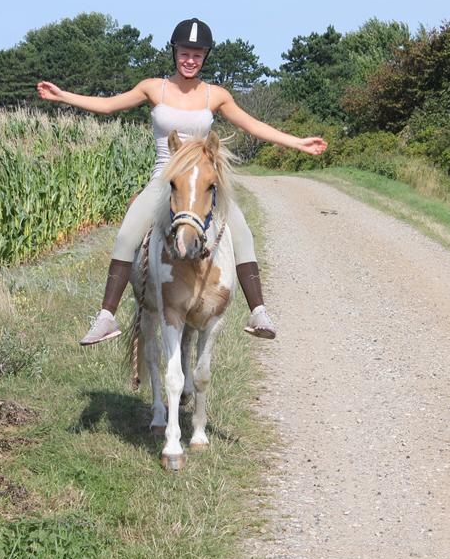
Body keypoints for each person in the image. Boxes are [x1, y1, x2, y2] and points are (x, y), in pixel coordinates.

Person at [36, 18, 327, 345]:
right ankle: (106, 316)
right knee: (127, 235)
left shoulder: (214, 95)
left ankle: (258, 310)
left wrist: (298, 142)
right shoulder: (152, 88)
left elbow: (253, 125)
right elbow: (107, 105)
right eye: (185, 53)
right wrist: (64, 96)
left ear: (205, 57)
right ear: (174, 53)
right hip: (165, 180)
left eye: (198, 55)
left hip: (203, 183)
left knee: (242, 231)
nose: (190, 60)